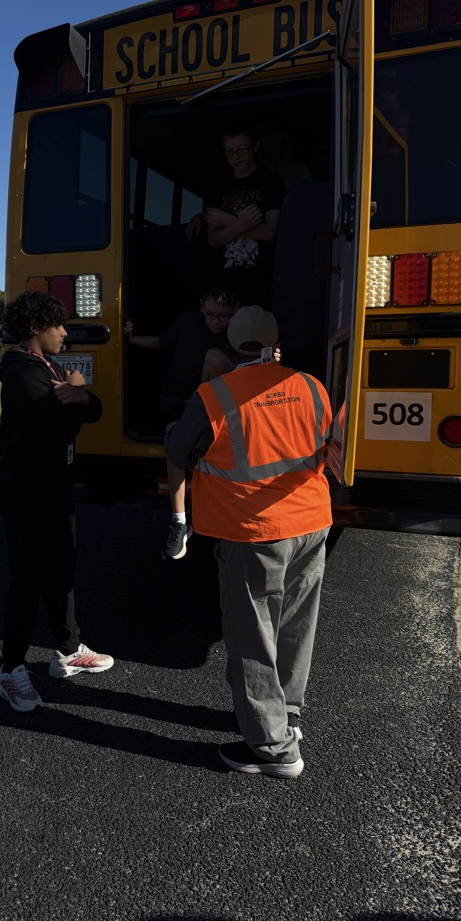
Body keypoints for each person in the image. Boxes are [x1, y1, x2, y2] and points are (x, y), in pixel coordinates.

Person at [165, 306, 332, 778]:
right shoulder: (311, 385)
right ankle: (287, 715)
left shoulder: (214, 395)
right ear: (273, 343)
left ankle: (273, 749)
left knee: (251, 635)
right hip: (313, 522)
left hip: (253, 531)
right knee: (297, 625)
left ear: (230, 345)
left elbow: (178, 451)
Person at [0, 291, 113, 712]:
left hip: (55, 486)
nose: (65, 333)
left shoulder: (50, 366)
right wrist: (78, 393)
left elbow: (91, 410)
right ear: (34, 329)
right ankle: (11, 670)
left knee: (62, 569)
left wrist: (80, 394)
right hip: (28, 490)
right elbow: (64, 421)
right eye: (57, 325)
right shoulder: (23, 373)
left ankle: (67, 651)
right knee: (28, 578)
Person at [124, 287, 238, 559]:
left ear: (235, 311)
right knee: (176, 437)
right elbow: (161, 342)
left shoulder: (239, 334)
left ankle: (217, 521)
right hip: (178, 403)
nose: (215, 321)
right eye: (210, 314)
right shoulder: (188, 323)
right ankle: (179, 520)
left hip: (215, 407)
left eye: (222, 316)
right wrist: (129, 339)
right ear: (201, 308)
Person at [201, 119, 286, 307]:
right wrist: (241, 223)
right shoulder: (219, 188)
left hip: (263, 278)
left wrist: (228, 222)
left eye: (241, 149)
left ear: (255, 147)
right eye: (229, 151)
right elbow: (213, 239)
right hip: (225, 280)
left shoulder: (270, 182)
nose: (235, 157)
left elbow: (271, 233)